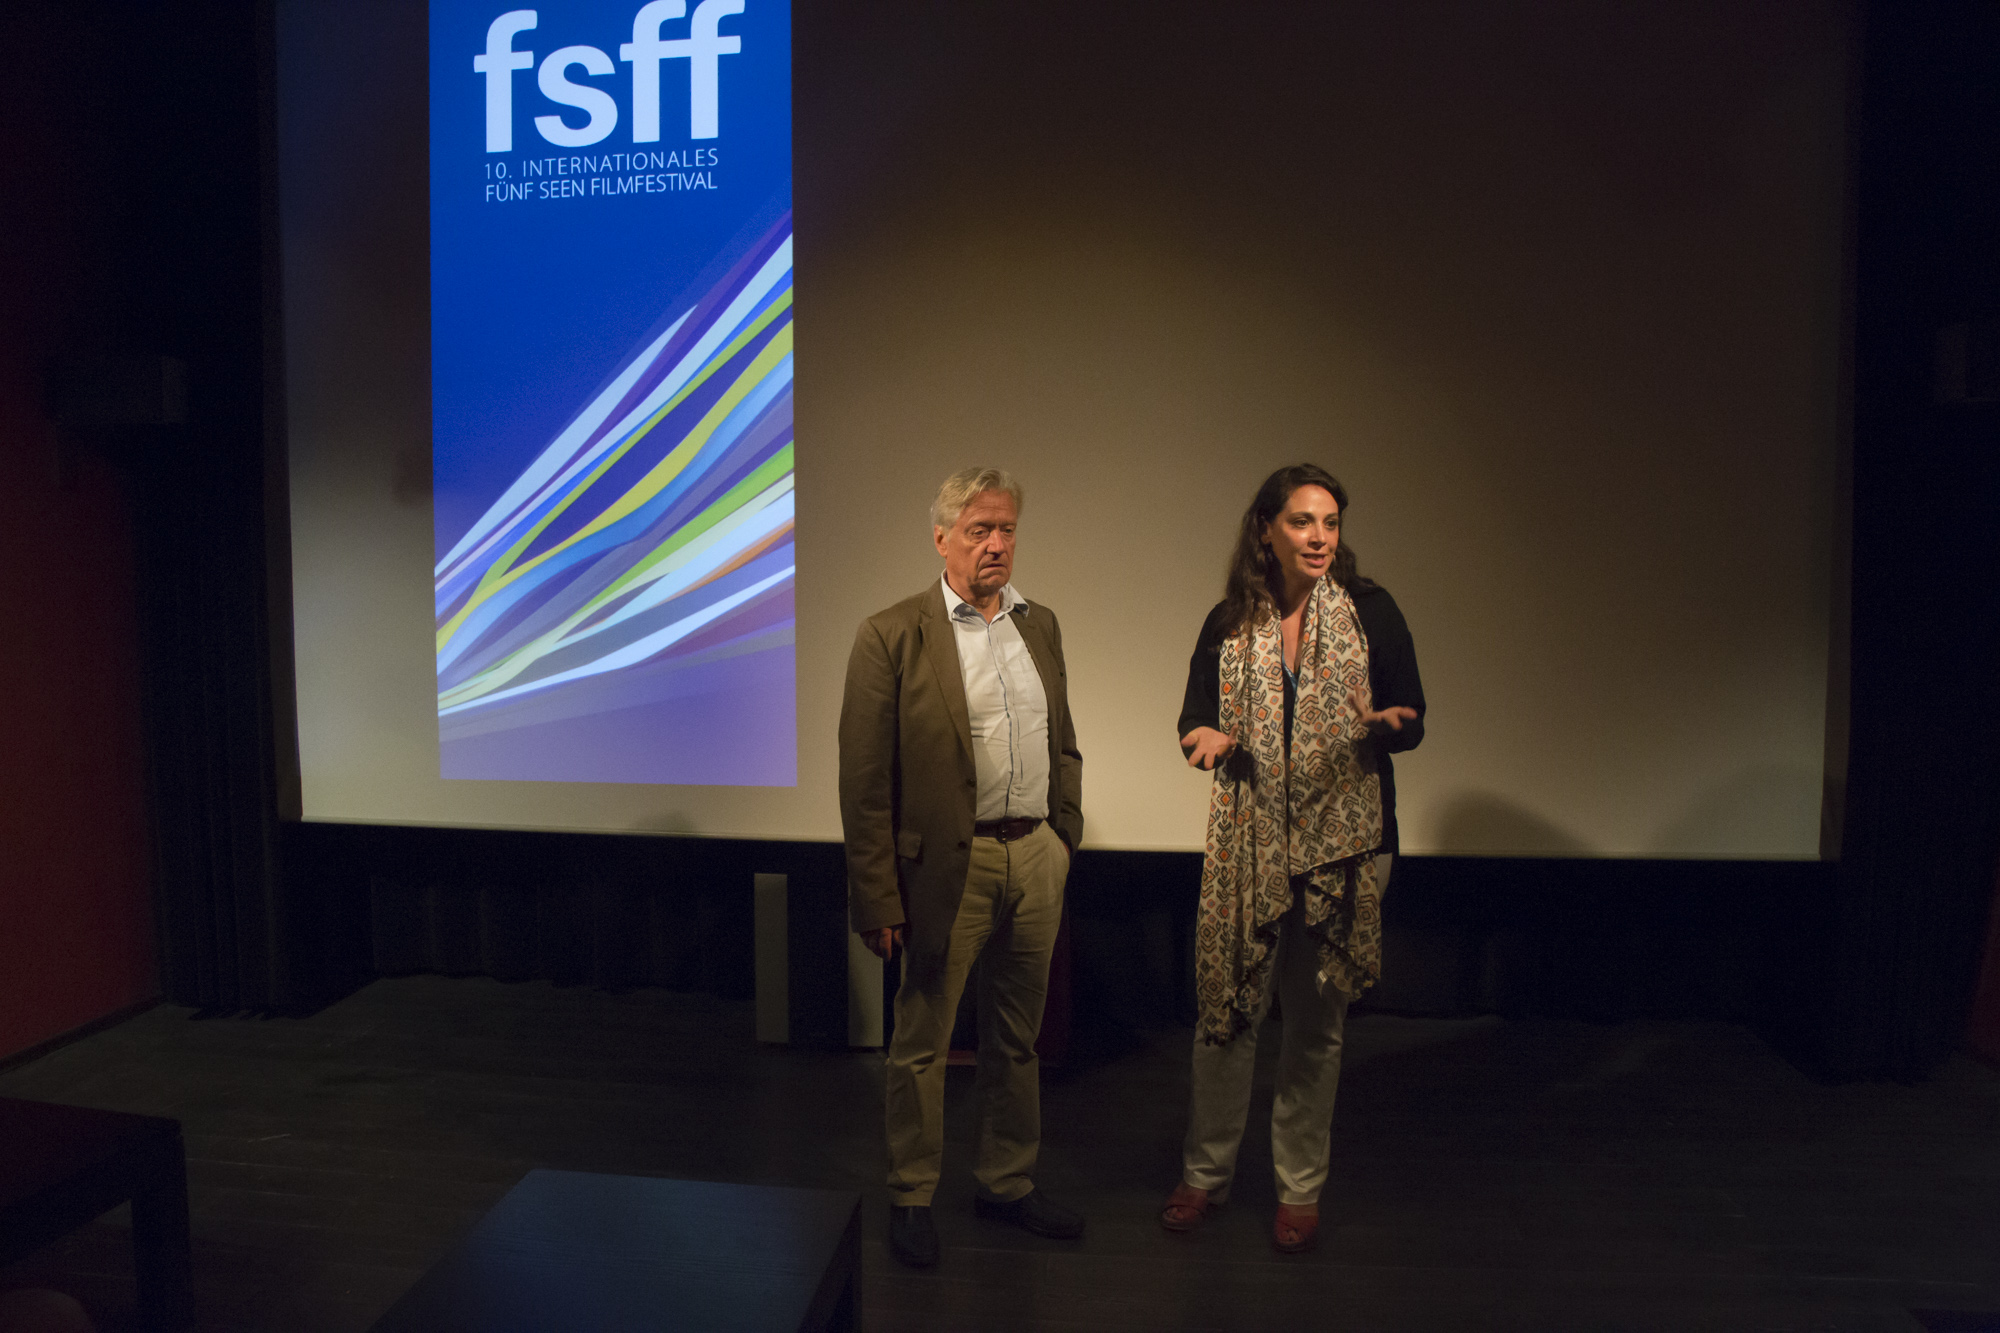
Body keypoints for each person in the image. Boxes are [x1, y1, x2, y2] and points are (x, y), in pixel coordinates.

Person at [1161, 462, 1425, 1254]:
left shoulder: (1371, 611)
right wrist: (1202, 738)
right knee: (1227, 1015)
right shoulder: (1228, 621)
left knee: (1315, 1026)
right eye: (1303, 521)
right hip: (1250, 846)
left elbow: (1412, 715)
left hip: (1345, 848)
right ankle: (1204, 1174)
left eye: (1330, 522)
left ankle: (1299, 1186)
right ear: (1266, 530)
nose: (1319, 537)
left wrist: (1392, 723)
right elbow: (1193, 718)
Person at [838, 466, 1087, 1269]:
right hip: (949, 866)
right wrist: (878, 895)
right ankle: (912, 1193)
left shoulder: (1039, 624)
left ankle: (1006, 1181)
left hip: (1035, 854)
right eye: (979, 530)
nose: (996, 544)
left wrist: (1064, 833)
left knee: (1018, 1038)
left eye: (1006, 528)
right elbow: (864, 780)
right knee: (923, 1040)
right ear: (942, 537)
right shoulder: (891, 633)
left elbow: (1063, 739)